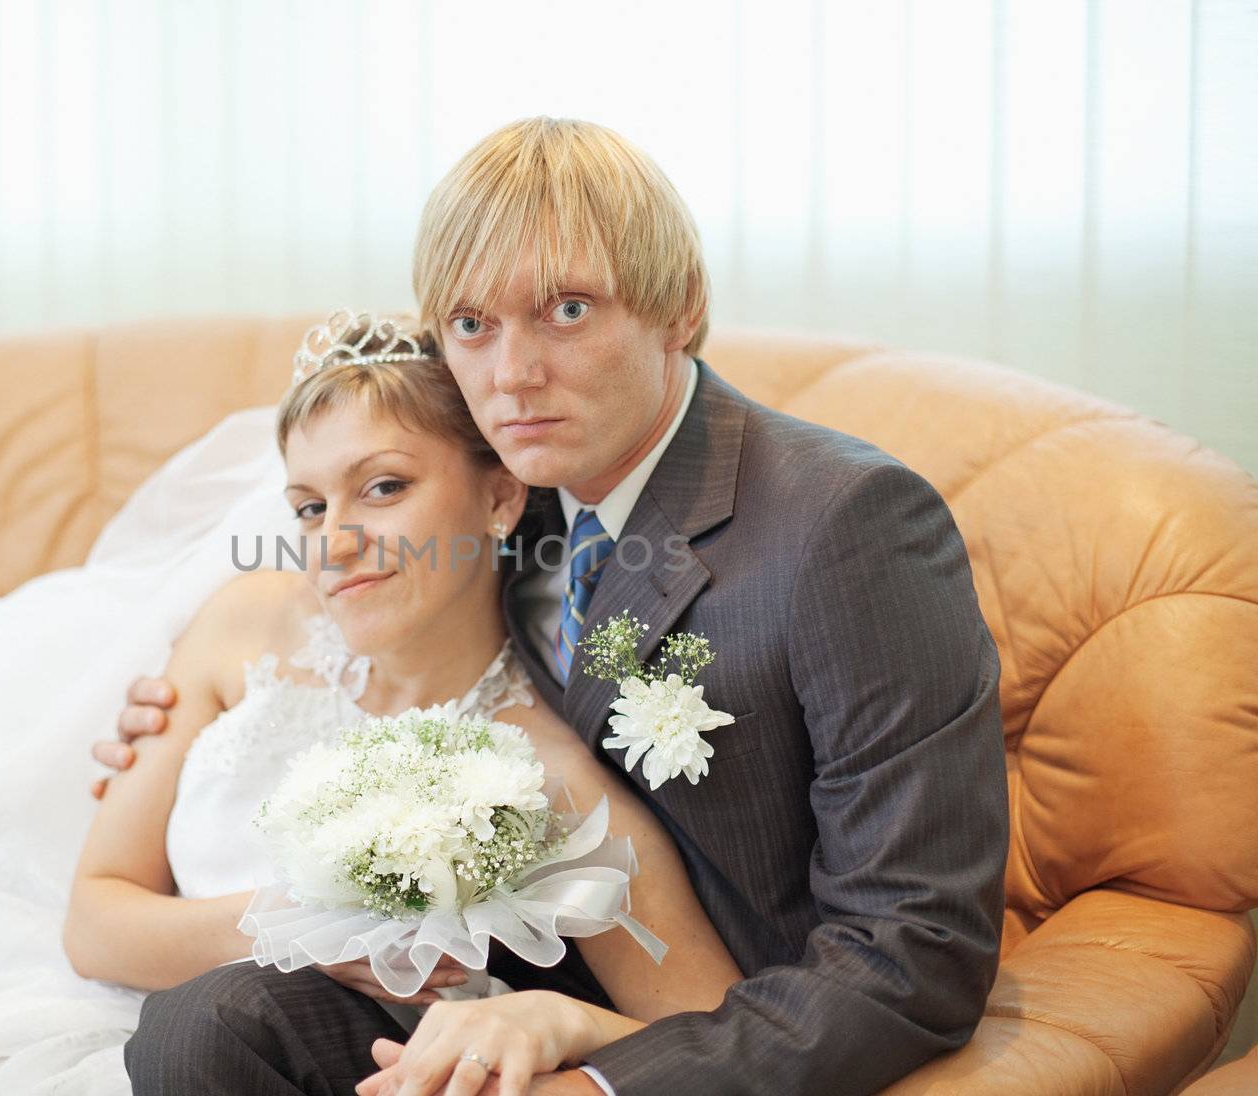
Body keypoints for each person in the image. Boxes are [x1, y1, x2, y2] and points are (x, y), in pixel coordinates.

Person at [103, 118, 1009, 1096]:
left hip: (713, 1020)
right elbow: (361, 584)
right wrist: (174, 724)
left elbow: (912, 958)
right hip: (482, 966)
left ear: (682, 308)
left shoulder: (846, 526)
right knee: (201, 1030)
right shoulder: (504, 487)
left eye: (567, 309)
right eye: (471, 325)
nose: (510, 376)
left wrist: (592, 1066)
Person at [67, 312, 744, 1089]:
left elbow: (712, 1033)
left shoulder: (543, 773)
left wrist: (564, 1022)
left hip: (322, 1063)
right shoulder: (241, 627)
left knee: (215, 1023)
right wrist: (300, 928)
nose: (335, 541)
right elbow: (94, 921)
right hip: (123, 1028)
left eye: (383, 487)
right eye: (311, 507)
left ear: (499, 496)